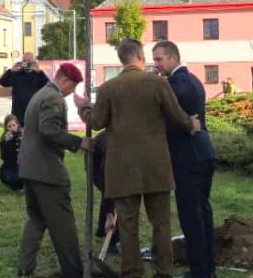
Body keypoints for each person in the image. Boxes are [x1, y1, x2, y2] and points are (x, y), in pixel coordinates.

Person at [75, 39, 201, 278]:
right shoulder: (158, 83)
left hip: (122, 168)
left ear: (121, 59)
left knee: (128, 223)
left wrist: (83, 107)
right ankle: (163, 271)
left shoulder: (109, 88)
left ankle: (132, 272)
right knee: (161, 223)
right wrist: (190, 123)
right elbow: (177, 114)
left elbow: (97, 121)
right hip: (156, 165)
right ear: (141, 56)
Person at [16, 63, 92, 278]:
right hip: (47, 172)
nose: (71, 92)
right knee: (63, 226)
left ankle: (24, 268)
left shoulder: (41, 93)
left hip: (30, 168)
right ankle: (73, 271)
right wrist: (79, 142)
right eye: (73, 87)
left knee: (36, 220)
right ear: (65, 80)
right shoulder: (53, 97)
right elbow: (48, 129)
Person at [153, 41, 218, 278]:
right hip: (203, 152)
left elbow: (161, 111)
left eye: (159, 59)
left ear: (173, 58)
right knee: (202, 212)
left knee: (191, 216)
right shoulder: (193, 80)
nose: (156, 64)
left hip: (188, 157)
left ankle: (200, 272)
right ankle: (207, 269)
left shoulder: (176, 84)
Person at [0, 53, 50, 126]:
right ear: (22, 62)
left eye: (30, 61)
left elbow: (48, 85)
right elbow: (2, 82)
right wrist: (11, 71)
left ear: (34, 62)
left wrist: (40, 71)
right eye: (25, 61)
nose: (27, 63)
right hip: (18, 114)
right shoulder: (17, 74)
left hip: (34, 113)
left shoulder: (38, 75)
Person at [92, 131, 119, 257]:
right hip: (97, 168)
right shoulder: (112, 144)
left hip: (108, 167)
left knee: (118, 198)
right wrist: (109, 214)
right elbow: (107, 184)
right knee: (111, 196)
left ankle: (103, 230)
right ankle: (110, 240)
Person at [0, 114, 23, 191]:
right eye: (9, 126)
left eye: (14, 125)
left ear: (17, 125)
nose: (12, 128)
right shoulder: (5, 139)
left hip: (22, 164)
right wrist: (7, 142)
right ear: (6, 128)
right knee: (12, 179)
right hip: (10, 166)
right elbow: (4, 156)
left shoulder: (22, 136)